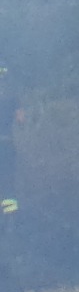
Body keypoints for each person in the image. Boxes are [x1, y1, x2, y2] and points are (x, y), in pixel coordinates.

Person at [0, 63, 19, 229]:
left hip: (5, 145)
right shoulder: (12, 100)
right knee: (7, 183)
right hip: (6, 144)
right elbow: (22, 120)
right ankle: (10, 221)